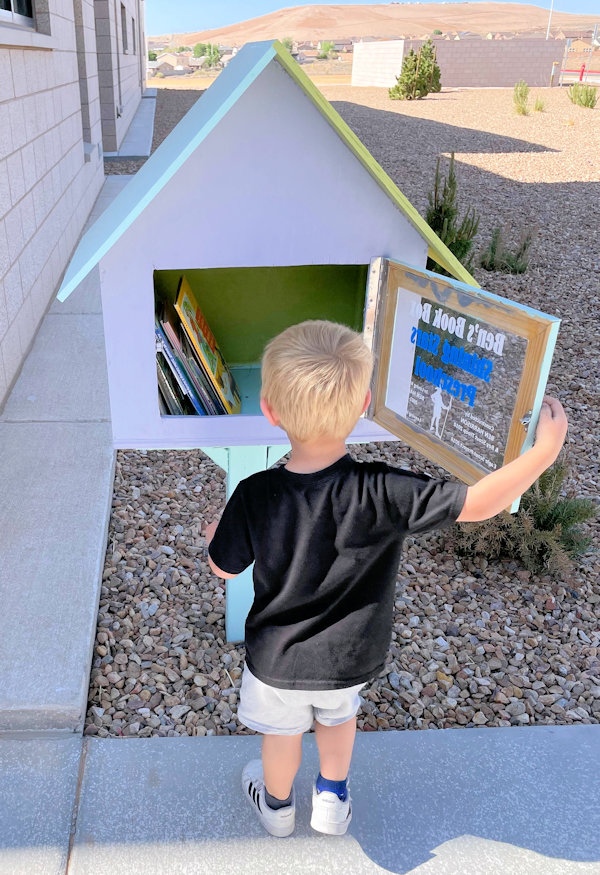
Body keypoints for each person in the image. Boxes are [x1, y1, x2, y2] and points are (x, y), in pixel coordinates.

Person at [204, 320, 568, 839]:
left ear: (269, 410)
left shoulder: (254, 493)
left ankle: (278, 806)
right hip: (351, 656)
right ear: (363, 404)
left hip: (276, 658)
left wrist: (216, 531)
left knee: (280, 735)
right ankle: (332, 797)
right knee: (337, 718)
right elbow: (480, 502)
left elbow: (225, 566)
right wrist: (542, 453)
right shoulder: (384, 490)